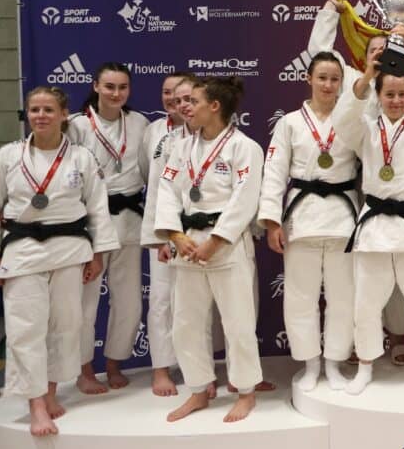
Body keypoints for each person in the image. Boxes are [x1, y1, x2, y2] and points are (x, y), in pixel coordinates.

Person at [0, 86, 119, 436]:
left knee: (65, 325)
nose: (40, 116)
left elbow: (97, 209)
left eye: (48, 110)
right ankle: (36, 404)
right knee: (25, 327)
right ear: (27, 114)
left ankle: (50, 392)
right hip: (22, 249)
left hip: (70, 248)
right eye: (34, 109)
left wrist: (98, 254)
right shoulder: (8, 156)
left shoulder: (81, 158)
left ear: (64, 114)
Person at [335, 25, 404, 394]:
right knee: (366, 305)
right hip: (375, 229)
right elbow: (342, 120)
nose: (396, 100)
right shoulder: (366, 129)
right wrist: (368, 75)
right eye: (389, 94)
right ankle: (365, 367)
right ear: (379, 97)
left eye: (401, 94)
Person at [155, 77, 264, 422]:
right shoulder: (181, 147)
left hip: (226, 246)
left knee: (238, 323)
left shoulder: (245, 147)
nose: (186, 106)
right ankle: (199, 390)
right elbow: (166, 190)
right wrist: (175, 235)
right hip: (188, 243)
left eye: (194, 101)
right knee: (186, 323)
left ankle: (245, 393)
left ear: (214, 106)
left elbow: (245, 198)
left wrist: (215, 241)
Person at [258, 52, 359, 392]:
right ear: (309, 79)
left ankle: (334, 363)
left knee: (343, 297)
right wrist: (272, 221)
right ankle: (311, 364)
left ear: (341, 82)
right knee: (300, 297)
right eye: (322, 78)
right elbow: (274, 173)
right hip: (301, 219)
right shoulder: (289, 123)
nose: (328, 85)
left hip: (343, 218)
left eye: (334, 79)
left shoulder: (351, 120)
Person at [66, 62, 149, 393]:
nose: (116, 93)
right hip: (90, 223)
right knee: (85, 304)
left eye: (122, 87)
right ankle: (84, 370)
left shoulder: (139, 122)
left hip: (130, 219)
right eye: (110, 86)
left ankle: (114, 363)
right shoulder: (76, 126)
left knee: (128, 301)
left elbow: (149, 169)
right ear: (96, 86)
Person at [140, 71, 193, 397]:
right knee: (161, 299)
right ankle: (161, 369)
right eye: (167, 92)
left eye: (182, 94)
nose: (173, 99)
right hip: (164, 229)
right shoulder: (156, 134)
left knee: (194, 302)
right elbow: (151, 180)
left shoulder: (210, 132)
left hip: (197, 229)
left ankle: (195, 367)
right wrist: (162, 235)